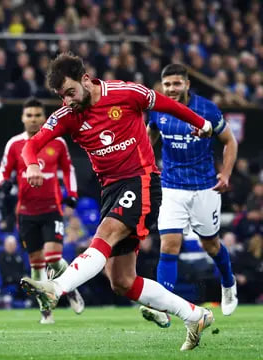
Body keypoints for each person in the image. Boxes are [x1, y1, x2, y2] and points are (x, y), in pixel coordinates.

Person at [19, 53, 215, 351]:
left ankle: (56, 289)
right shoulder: (66, 115)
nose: (68, 100)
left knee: (106, 234)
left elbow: (168, 104)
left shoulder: (126, 93)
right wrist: (32, 164)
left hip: (142, 180)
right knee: (122, 280)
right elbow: (31, 145)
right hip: (110, 190)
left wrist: (201, 122)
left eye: (71, 92)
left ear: (86, 79)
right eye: (62, 96)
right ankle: (195, 315)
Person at [140, 64, 239, 327]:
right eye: (167, 84)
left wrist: (226, 174)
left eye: (176, 84)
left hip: (205, 188)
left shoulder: (207, 109)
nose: (172, 89)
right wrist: (146, 165)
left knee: (211, 246)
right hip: (172, 187)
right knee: (168, 245)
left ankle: (228, 283)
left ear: (187, 85)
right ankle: (164, 307)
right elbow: (150, 135)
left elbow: (230, 141)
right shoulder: (157, 108)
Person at [0, 97, 84, 324]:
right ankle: (46, 310)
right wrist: (4, 183)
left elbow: (68, 170)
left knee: (53, 259)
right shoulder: (14, 144)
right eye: (29, 115)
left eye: (37, 115)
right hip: (25, 212)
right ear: (23, 118)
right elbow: (2, 172)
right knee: (36, 263)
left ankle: (69, 287)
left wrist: (72, 194)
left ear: (44, 118)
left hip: (52, 209)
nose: (33, 120)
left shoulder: (57, 143)